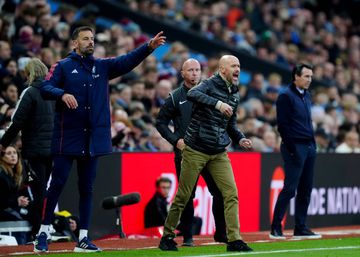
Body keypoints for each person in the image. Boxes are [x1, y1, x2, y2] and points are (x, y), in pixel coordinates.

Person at [33, 26, 165, 253]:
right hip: (68, 137)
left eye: (92, 38)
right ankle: (42, 233)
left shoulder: (101, 66)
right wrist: (61, 94)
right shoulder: (63, 66)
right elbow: (44, 86)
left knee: (87, 188)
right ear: (74, 43)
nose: (90, 42)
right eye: (85, 39)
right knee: (56, 185)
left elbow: (127, 61)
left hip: (92, 139)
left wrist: (148, 48)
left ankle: (83, 238)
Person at [159, 55, 253, 252]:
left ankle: (234, 239)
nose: (237, 69)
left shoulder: (234, 93)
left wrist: (240, 138)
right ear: (222, 69)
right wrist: (217, 104)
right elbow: (192, 94)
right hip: (196, 149)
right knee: (184, 195)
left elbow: (231, 124)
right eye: (233, 65)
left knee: (230, 194)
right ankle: (167, 236)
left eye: (239, 65)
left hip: (218, 151)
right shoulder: (208, 84)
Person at [156, 58, 227, 246]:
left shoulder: (208, 93)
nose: (195, 73)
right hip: (186, 153)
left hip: (210, 152)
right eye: (191, 70)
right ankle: (187, 236)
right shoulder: (175, 97)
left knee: (219, 192)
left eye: (198, 70)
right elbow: (160, 122)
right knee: (186, 195)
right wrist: (175, 140)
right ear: (183, 74)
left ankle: (221, 232)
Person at [0, 58, 54, 240]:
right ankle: (45, 227)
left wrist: (3, 143)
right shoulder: (53, 93)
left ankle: (38, 231)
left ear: (29, 74)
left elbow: (17, 121)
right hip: (53, 150)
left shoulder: (29, 92)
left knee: (37, 192)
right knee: (44, 190)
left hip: (35, 151)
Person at [270, 63, 321, 239]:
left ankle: (300, 227)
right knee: (290, 189)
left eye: (311, 77)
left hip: (308, 146)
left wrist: (313, 145)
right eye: (306, 76)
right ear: (296, 77)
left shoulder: (307, 95)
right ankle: (276, 227)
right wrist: (292, 148)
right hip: (295, 146)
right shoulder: (285, 95)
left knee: (306, 189)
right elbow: (282, 125)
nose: (309, 80)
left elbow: (307, 122)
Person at [0, 145, 29, 244]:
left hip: (11, 208)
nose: (13, 156)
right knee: (23, 215)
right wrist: (16, 201)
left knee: (32, 214)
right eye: (9, 153)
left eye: (14, 153)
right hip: (4, 211)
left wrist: (19, 200)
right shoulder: (1, 174)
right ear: (2, 157)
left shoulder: (14, 174)